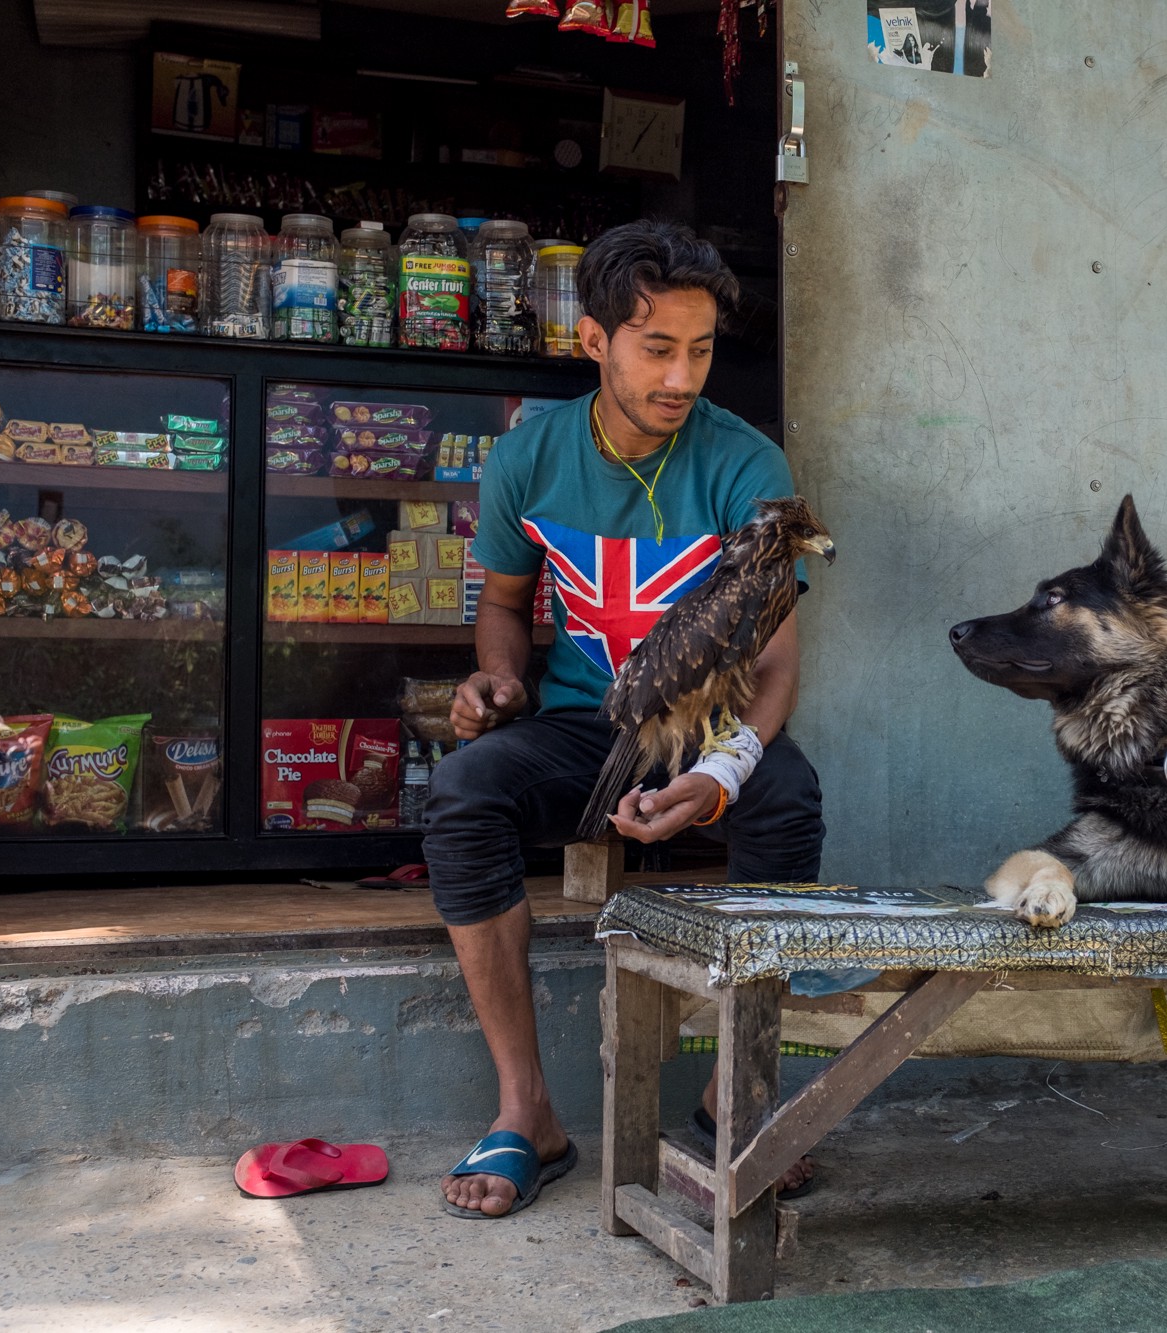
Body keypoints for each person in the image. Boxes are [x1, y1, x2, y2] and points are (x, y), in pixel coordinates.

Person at [424, 220, 824, 1219]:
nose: (682, 376)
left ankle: (733, 1100)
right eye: (657, 348)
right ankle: (527, 1113)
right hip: (576, 727)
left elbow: (774, 659)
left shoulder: (744, 463)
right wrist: (497, 682)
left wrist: (721, 773)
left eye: (699, 350)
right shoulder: (530, 455)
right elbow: (506, 605)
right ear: (593, 340)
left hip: (703, 730)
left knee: (787, 802)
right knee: (462, 791)